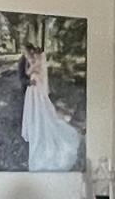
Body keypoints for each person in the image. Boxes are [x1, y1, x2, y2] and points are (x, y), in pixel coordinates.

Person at [19, 42, 81, 172]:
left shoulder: (36, 62)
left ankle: (39, 129)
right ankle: (33, 128)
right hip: (32, 90)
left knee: (40, 112)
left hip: (36, 90)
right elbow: (24, 74)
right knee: (33, 112)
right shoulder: (28, 60)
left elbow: (29, 71)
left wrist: (32, 64)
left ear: (33, 52)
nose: (28, 54)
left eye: (28, 51)